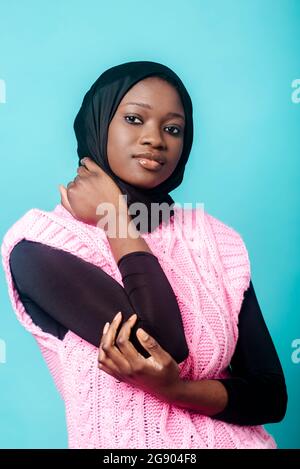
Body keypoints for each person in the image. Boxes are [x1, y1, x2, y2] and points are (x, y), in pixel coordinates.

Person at [1, 61, 287, 449]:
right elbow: (162, 343)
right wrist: (116, 219)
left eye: (173, 129)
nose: (155, 139)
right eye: (135, 119)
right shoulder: (42, 246)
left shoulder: (217, 240)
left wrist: (178, 391)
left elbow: (270, 396)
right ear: (99, 122)